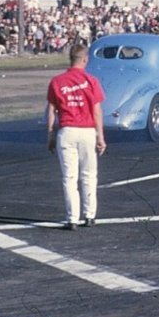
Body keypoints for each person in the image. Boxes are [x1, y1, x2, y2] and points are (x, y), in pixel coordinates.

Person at [46, 43, 106, 230]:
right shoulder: (91, 80)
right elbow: (97, 111)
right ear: (85, 59)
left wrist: (50, 134)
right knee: (89, 175)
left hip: (67, 131)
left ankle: (72, 218)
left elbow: (51, 111)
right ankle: (89, 215)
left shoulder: (57, 81)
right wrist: (100, 136)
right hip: (87, 130)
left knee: (69, 177)